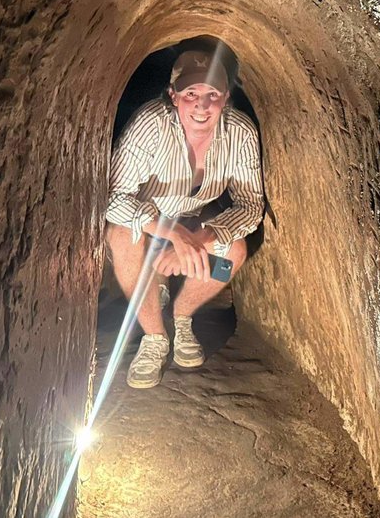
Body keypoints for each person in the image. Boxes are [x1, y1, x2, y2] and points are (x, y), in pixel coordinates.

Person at [105, 48, 265, 388]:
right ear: (173, 95)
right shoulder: (151, 125)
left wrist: (200, 240)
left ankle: (182, 315)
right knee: (120, 236)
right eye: (191, 93)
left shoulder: (240, 132)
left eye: (212, 95)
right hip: (149, 220)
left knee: (231, 255)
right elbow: (114, 199)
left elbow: (251, 206)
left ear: (225, 98)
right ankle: (155, 336)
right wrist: (174, 235)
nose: (202, 106)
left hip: (196, 219)